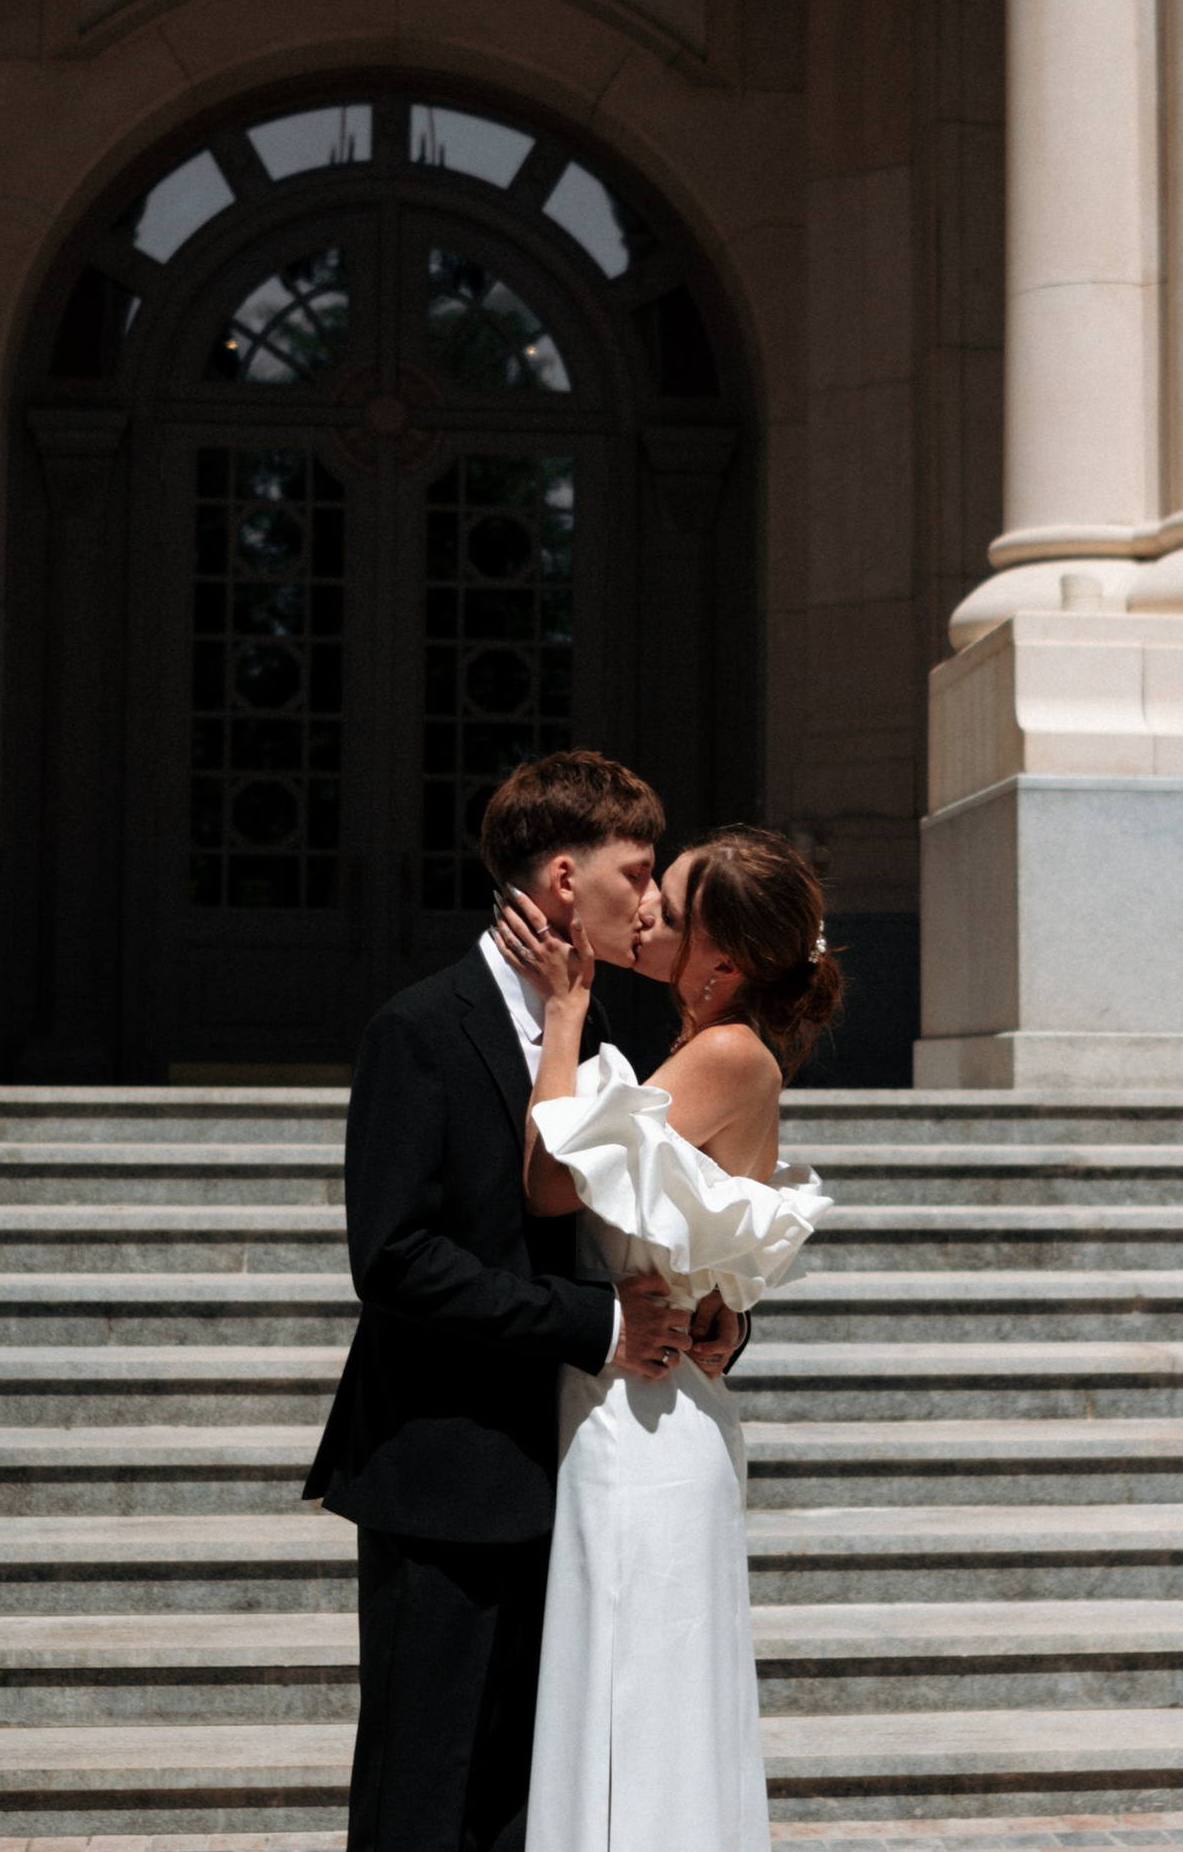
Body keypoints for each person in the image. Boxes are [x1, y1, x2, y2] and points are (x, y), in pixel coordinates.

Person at [306, 750, 735, 1852]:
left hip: (577, 1473)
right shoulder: (418, 1028)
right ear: (560, 881)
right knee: (425, 1783)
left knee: (526, 1792)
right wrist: (593, 1326)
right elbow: (393, 1258)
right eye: (635, 873)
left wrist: (713, 1312)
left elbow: (641, 1220)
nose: (650, 902)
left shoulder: (609, 1034)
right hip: (442, 1469)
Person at [498, 825, 844, 1852]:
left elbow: (552, 1179)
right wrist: (721, 1314)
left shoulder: (729, 1054)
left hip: (645, 1429)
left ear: (721, 964)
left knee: (641, 1712)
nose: (642, 907)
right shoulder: (698, 1053)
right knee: (622, 1696)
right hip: (634, 1406)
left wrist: (560, 1018)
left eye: (671, 903)